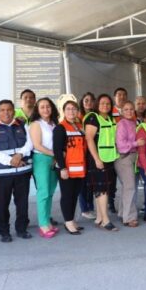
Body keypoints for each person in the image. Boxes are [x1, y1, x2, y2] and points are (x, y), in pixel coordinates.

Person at [0, 99, 33, 242]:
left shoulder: (22, 125)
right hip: (2, 173)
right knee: (2, 203)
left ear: (13, 110)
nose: (6, 113)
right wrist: (11, 161)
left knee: (22, 202)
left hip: (22, 171)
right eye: (2, 110)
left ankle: (22, 229)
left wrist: (19, 155)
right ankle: (4, 232)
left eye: (9, 109)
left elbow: (29, 143)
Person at [84, 94, 120, 230]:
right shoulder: (93, 118)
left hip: (110, 157)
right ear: (97, 105)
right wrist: (97, 159)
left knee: (104, 189)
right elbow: (89, 139)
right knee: (102, 190)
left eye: (108, 103)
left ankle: (99, 218)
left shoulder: (111, 119)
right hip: (98, 159)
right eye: (102, 103)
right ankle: (106, 220)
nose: (105, 105)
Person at [53, 100, 87, 235]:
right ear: (64, 111)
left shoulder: (79, 126)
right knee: (67, 195)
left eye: (74, 109)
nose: (71, 111)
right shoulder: (60, 128)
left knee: (74, 195)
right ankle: (68, 222)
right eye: (68, 109)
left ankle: (72, 220)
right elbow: (57, 150)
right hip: (66, 168)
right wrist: (62, 168)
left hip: (79, 166)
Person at [30, 97, 60, 238]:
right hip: (42, 159)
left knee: (50, 191)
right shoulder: (36, 124)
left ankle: (47, 221)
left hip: (54, 159)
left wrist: (56, 156)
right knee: (43, 192)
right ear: (37, 109)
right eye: (42, 107)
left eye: (48, 106)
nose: (45, 109)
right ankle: (42, 224)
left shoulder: (54, 124)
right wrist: (54, 155)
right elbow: (37, 145)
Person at [115, 101, 141, 227]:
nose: (129, 111)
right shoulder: (121, 124)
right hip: (124, 158)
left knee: (128, 187)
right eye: (126, 109)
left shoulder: (134, 123)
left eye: (131, 109)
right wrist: (136, 144)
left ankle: (123, 213)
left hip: (133, 157)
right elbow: (121, 145)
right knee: (130, 187)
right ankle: (129, 217)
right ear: (122, 112)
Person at [78, 92, 96, 220]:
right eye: (86, 100)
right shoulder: (77, 117)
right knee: (83, 183)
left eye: (91, 100)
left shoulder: (96, 116)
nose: (88, 103)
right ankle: (85, 208)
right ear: (82, 102)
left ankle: (91, 207)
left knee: (91, 182)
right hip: (81, 153)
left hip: (92, 152)